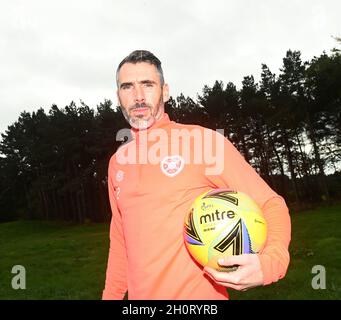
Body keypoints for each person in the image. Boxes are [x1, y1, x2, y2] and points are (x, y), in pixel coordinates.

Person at [102, 50, 291, 300]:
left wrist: (270, 263)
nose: (138, 97)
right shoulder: (118, 163)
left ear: (165, 91)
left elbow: (271, 204)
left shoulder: (202, 143)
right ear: (118, 96)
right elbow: (121, 241)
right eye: (127, 87)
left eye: (147, 85)